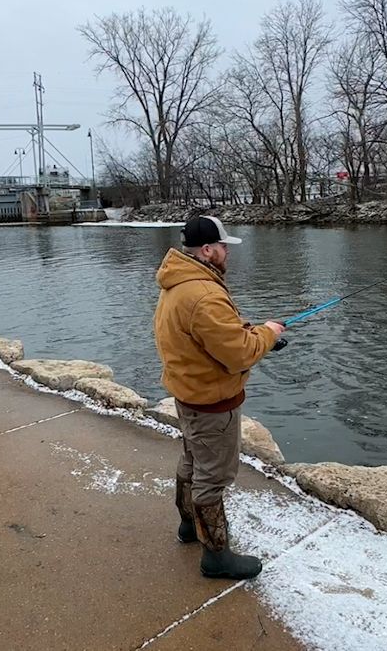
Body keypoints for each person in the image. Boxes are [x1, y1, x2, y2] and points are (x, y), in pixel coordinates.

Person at [153, 215, 284, 580]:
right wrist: (269, 333)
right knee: (214, 476)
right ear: (208, 250)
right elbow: (239, 353)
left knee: (192, 463)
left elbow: (209, 337)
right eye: (224, 246)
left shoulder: (178, 283)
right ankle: (216, 556)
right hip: (212, 404)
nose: (228, 252)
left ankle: (188, 527)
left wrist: (254, 334)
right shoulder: (205, 294)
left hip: (189, 395)